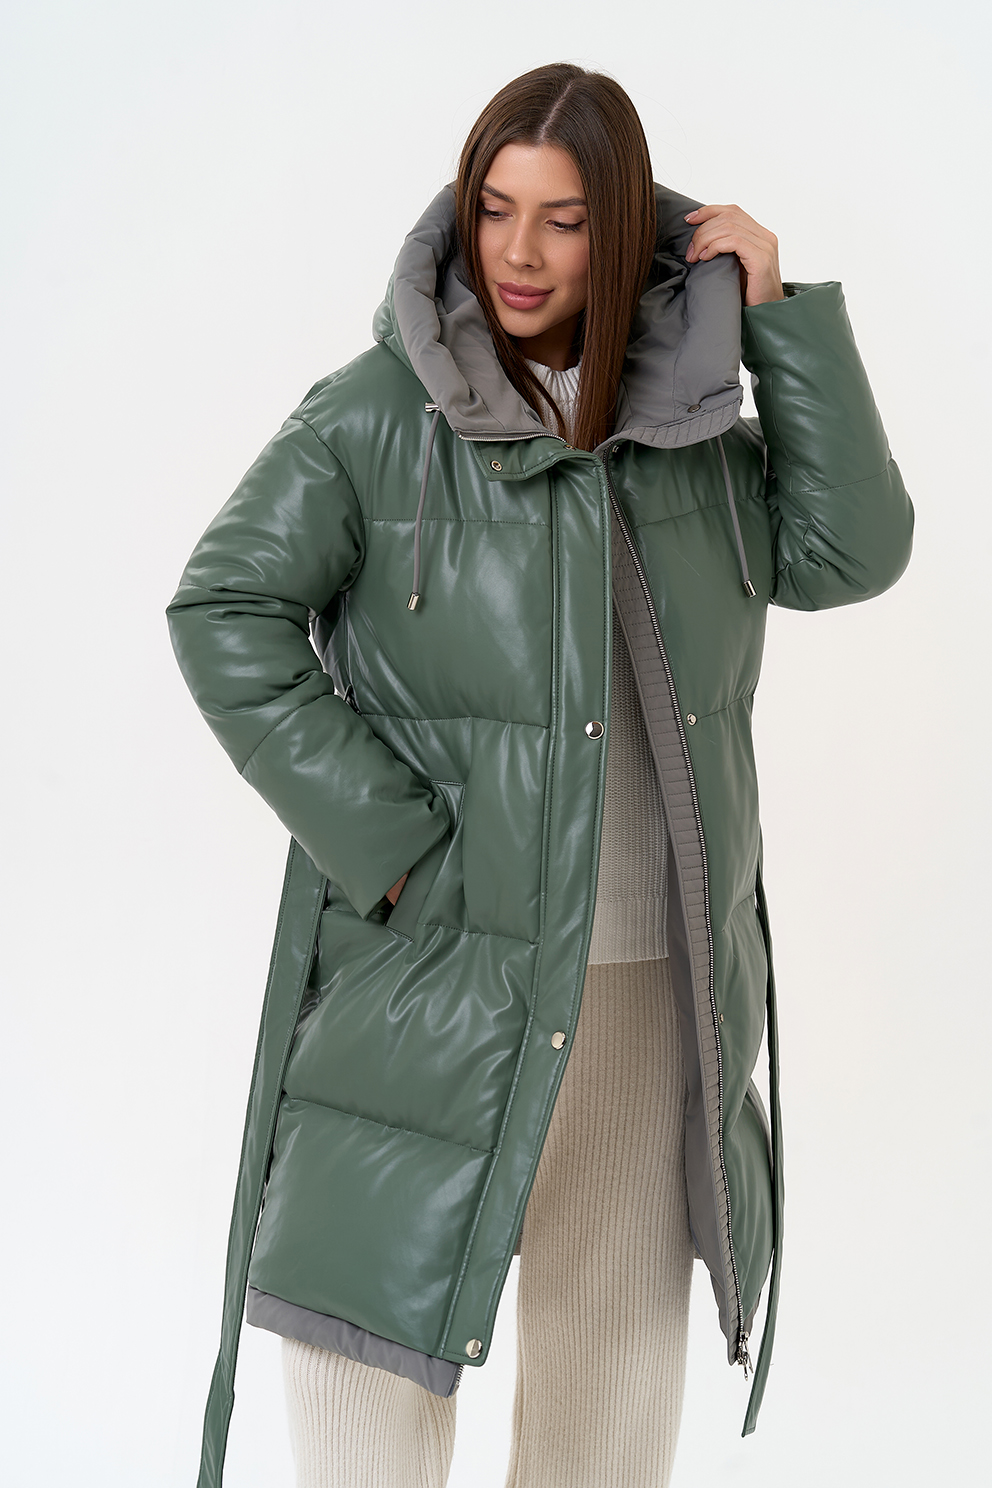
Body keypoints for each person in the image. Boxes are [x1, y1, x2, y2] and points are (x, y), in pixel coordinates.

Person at [168, 61, 913, 1488]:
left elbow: (851, 551)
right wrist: (390, 841)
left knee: (610, 1392)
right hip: (431, 972)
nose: (518, 252)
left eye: (563, 221)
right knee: (368, 1378)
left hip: (640, 981)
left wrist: (781, 324)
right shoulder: (377, 416)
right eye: (495, 209)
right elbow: (224, 608)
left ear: (620, 229)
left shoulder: (693, 436)